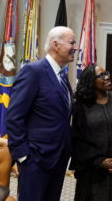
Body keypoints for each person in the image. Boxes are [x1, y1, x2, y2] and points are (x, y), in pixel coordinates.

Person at [5, 26, 77, 201]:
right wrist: (23, 156)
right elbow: (14, 117)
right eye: (72, 43)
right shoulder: (33, 71)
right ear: (56, 44)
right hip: (35, 159)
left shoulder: (61, 75)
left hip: (58, 156)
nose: (76, 47)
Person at [70, 65, 112, 201]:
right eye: (101, 75)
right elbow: (78, 141)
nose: (107, 77)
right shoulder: (82, 107)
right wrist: (100, 161)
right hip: (93, 171)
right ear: (90, 81)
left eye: (107, 73)